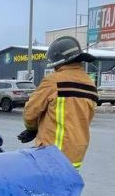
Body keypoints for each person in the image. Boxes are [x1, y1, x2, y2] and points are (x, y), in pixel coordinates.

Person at [18, 36, 98, 170]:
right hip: (77, 154)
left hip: (52, 154)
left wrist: (32, 128)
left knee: (46, 190)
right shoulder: (90, 84)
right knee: (67, 189)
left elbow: (30, 112)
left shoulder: (53, 81)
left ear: (59, 61)